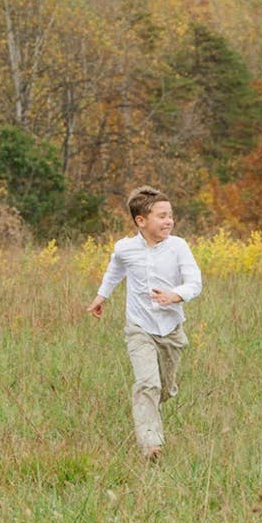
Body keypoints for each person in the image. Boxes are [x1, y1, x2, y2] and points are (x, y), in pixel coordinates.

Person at [87, 185, 202, 461]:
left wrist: (176, 295)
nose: (169, 221)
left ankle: (154, 402)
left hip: (171, 330)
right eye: (162, 216)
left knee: (163, 388)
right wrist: (101, 297)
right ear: (141, 221)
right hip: (139, 327)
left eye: (170, 215)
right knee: (147, 384)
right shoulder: (125, 249)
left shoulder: (178, 247)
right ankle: (151, 445)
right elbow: (114, 271)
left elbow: (195, 282)